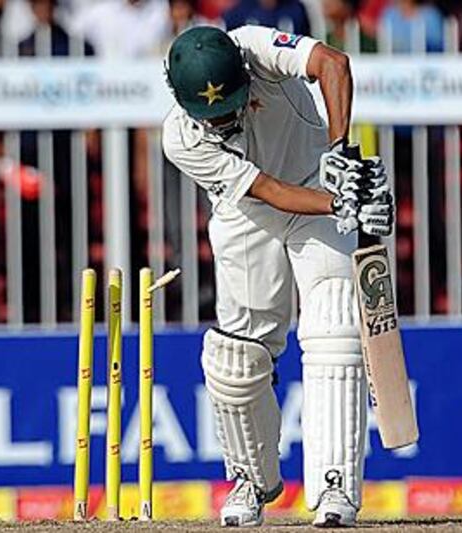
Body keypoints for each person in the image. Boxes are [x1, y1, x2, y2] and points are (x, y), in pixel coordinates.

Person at [162, 25, 394, 526]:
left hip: (315, 179)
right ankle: (250, 479)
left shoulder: (253, 47)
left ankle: (335, 487)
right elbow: (266, 189)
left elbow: (333, 63)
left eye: (231, 104)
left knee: (334, 325)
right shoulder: (180, 138)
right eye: (214, 114)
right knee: (236, 359)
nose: (225, 118)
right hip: (250, 212)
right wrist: (344, 203)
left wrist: (340, 152)